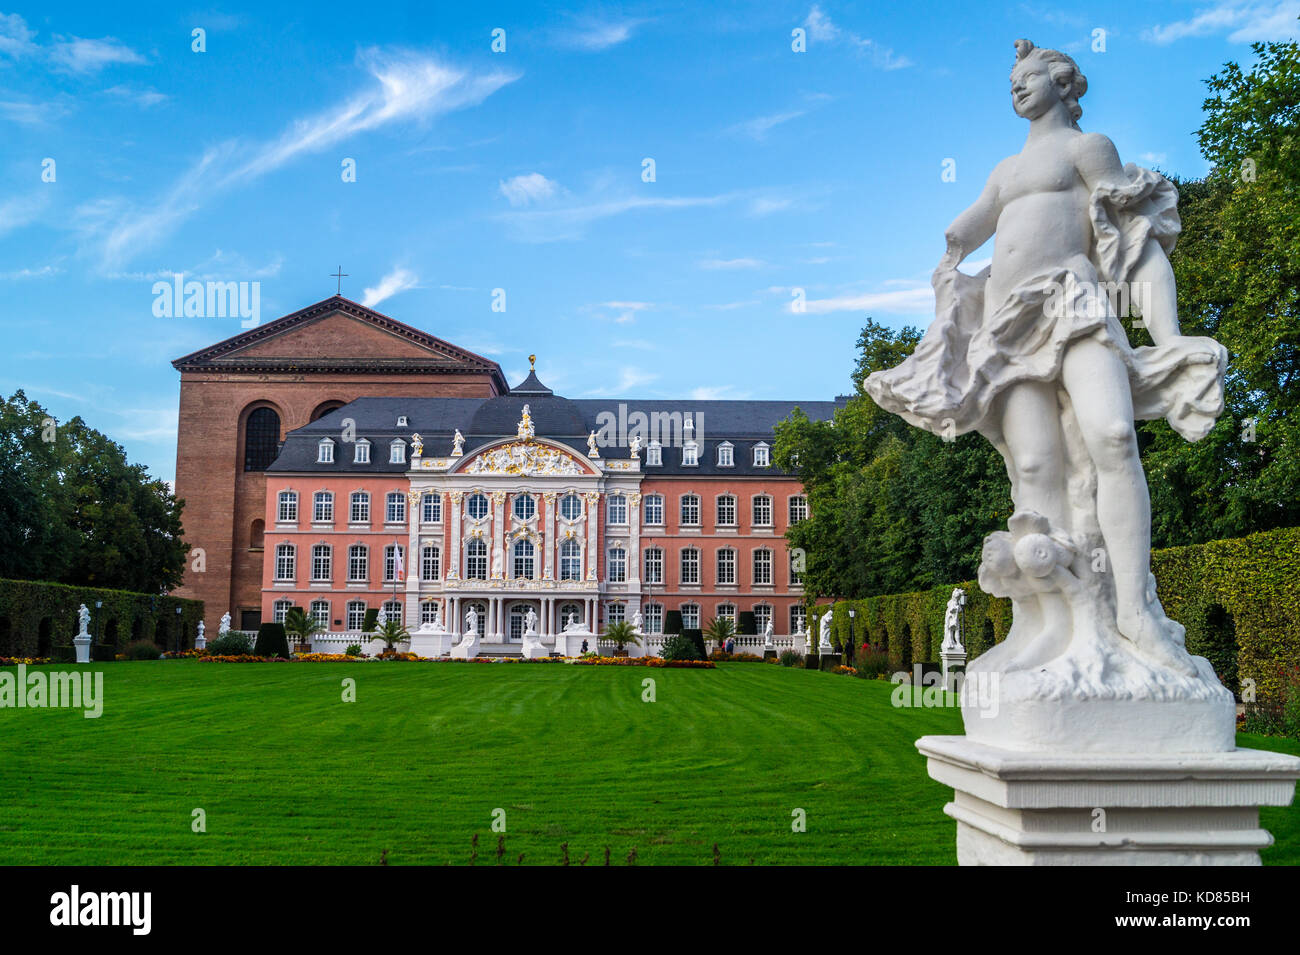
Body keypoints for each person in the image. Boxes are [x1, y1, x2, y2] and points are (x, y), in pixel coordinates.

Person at [866, 40, 1224, 676]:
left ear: (1062, 84)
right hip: (1006, 329)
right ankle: (1047, 622)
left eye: (1026, 78)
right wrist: (951, 264)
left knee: (1113, 437)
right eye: (1010, 83)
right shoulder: (1005, 171)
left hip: (1074, 303)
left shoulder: (1088, 149)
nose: (1016, 89)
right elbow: (966, 230)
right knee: (1034, 467)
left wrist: (1165, 335)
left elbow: (1135, 241)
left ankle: (1135, 607)